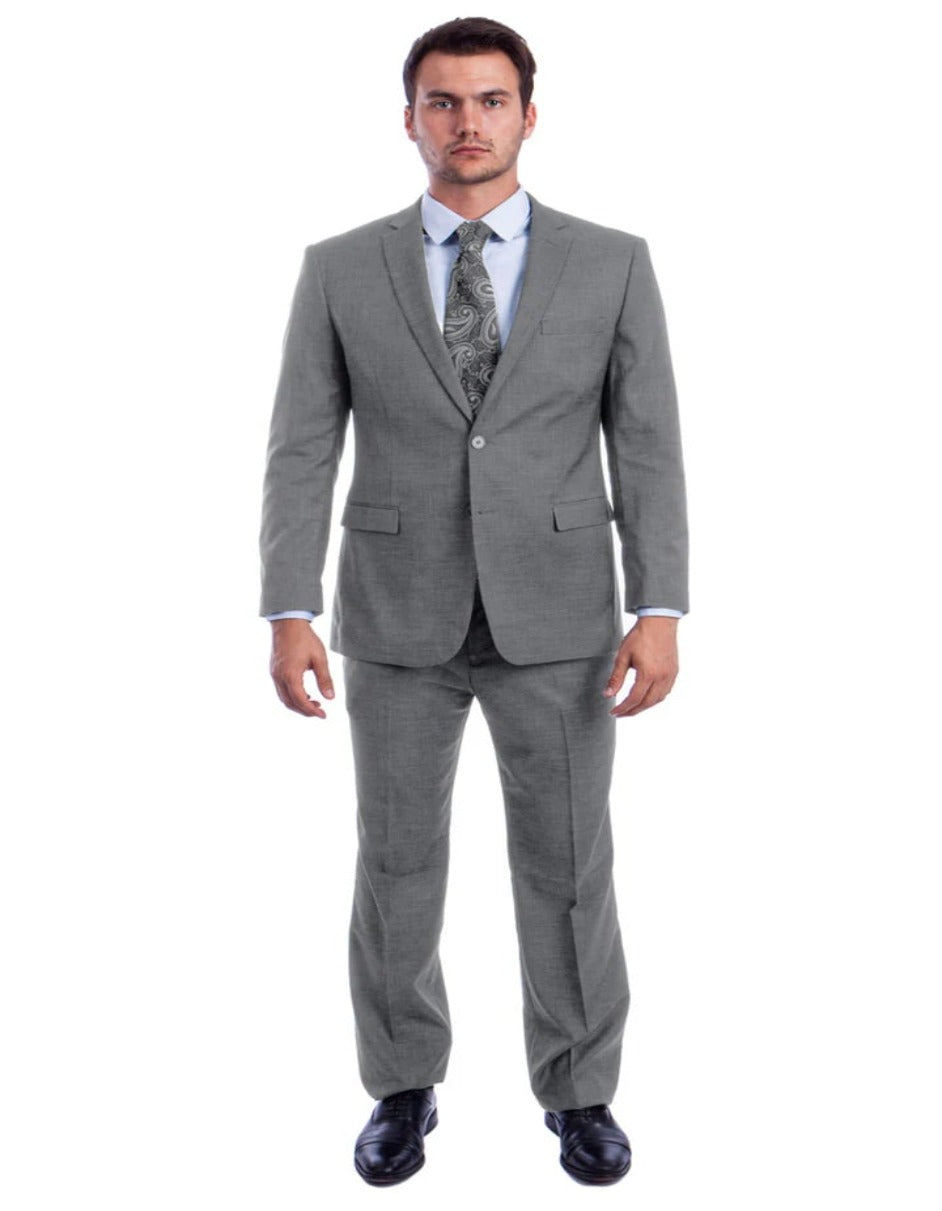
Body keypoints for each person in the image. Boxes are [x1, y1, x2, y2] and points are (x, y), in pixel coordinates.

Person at [258, 15, 688, 1187]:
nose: (467, 122)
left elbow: (646, 444)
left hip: (561, 612)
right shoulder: (340, 267)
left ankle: (580, 1090)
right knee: (395, 863)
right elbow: (302, 445)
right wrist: (289, 606)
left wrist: (661, 604)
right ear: (408, 119)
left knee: (569, 863)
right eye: (443, 101)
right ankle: (402, 1083)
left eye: (490, 100)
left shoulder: (613, 261)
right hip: (395, 611)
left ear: (529, 115)